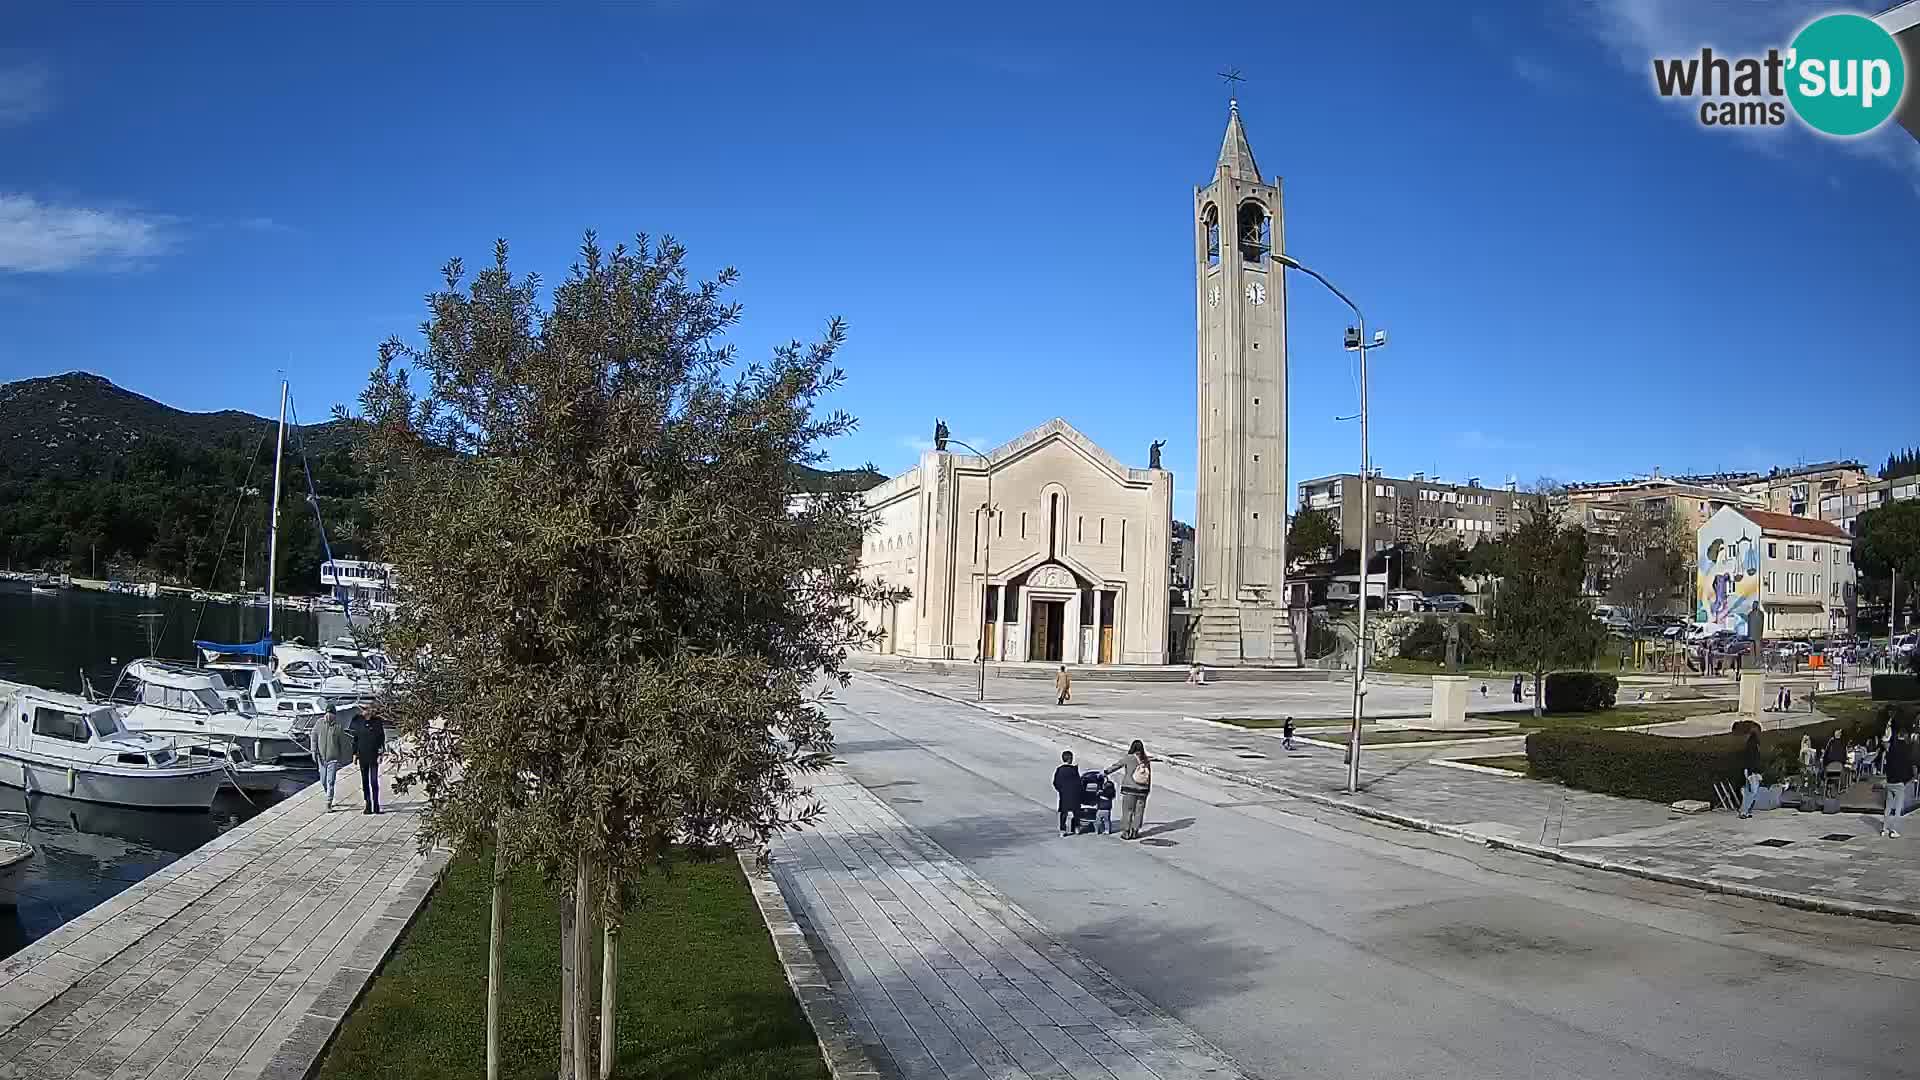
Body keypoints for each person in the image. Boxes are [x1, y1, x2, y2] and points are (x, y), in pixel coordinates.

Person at [1104, 740, 1152, 840]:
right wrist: (1147, 789)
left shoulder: (1128, 758)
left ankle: (1126, 832)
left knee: (1128, 811)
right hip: (1143, 789)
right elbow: (1149, 775)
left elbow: (1116, 766)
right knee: (1139, 811)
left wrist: (1106, 772)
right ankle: (1135, 831)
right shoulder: (1146, 760)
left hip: (1129, 789)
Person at [311, 706, 354, 811]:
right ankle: (328, 795)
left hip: (333, 759)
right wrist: (313, 751)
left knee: (330, 781)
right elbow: (314, 736)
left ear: (335, 715)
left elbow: (343, 744)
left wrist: (344, 757)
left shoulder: (338, 727)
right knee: (323, 781)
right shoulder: (319, 723)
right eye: (328, 713)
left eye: (332, 714)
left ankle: (329, 802)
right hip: (321, 758)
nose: (329, 715)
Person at [352, 708, 387, 815]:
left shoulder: (377, 722)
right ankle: (368, 804)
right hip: (362, 756)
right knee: (365, 782)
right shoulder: (358, 722)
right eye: (364, 709)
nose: (366, 712)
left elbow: (382, 739)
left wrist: (381, 754)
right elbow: (355, 739)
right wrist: (354, 754)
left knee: (374, 781)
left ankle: (376, 805)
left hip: (374, 756)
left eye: (367, 709)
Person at [1884, 723, 1912, 839]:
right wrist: (1907, 779)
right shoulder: (1905, 750)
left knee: (1888, 806)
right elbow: (1907, 767)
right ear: (1904, 736)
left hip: (1890, 781)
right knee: (1898, 808)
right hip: (1899, 782)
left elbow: (1887, 765)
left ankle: (1884, 828)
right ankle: (1893, 830)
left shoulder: (1891, 749)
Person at [1051, 750, 1081, 837]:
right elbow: (1078, 783)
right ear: (1071, 759)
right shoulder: (1074, 770)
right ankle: (1076, 827)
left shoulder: (1059, 770)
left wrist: (1061, 790)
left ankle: (1062, 830)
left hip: (1064, 795)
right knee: (1076, 811)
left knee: (1063, 813)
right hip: (1074, 794)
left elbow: (1055, 782)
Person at [1737, 729, 1763, 819]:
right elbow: (1754, 762)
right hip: (1752, 773)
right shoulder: (1754, 748)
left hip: (1750, 772)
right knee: (1752, 793)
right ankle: (1744, 811)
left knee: (1750, 793)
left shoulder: (1750, 748)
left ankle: (1746, 811)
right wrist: (1755, 773)